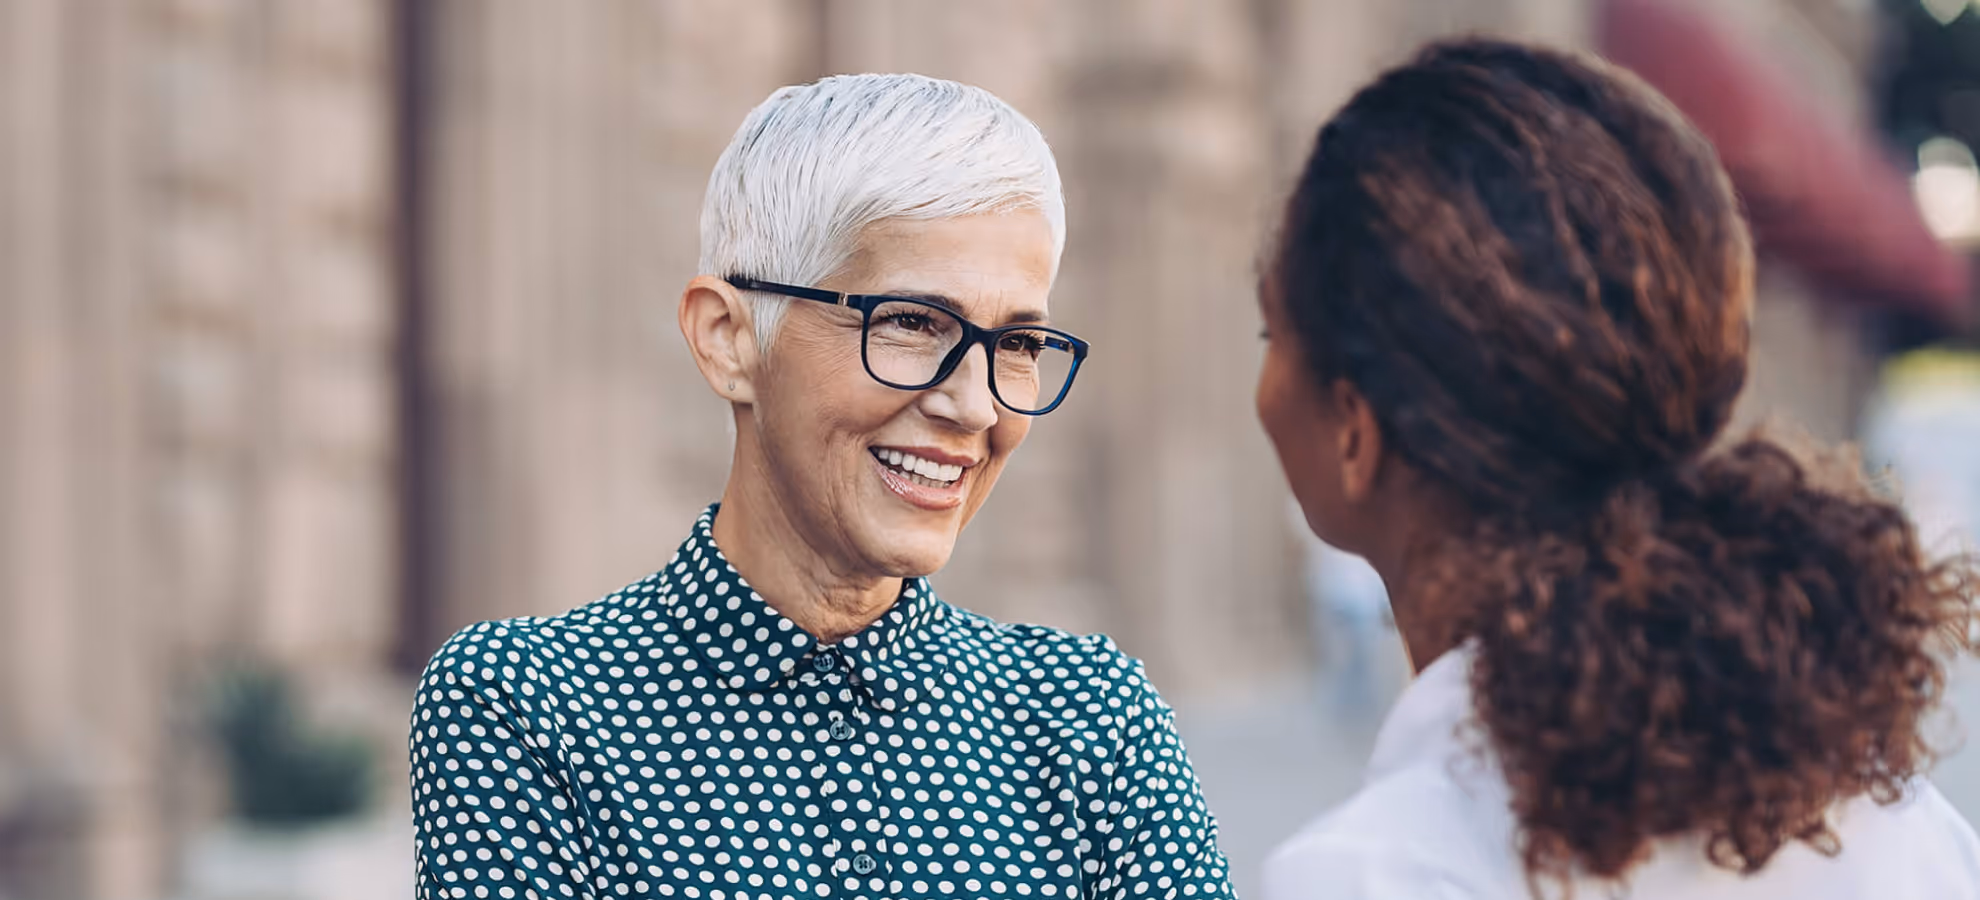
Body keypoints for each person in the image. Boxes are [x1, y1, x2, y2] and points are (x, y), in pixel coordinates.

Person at [408, 73, 1234, 900]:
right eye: (912, 323)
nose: (975, 405)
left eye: (1017, 343)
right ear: (728, 338)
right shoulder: (522, 707)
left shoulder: (1093, 718)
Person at [1254, 39, 1980, 899]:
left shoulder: (1373, 874)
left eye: (1274, 336)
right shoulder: (1904, 828)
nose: (1263, 385)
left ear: (1352, 429)